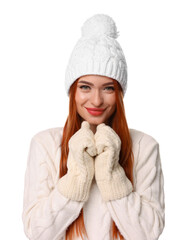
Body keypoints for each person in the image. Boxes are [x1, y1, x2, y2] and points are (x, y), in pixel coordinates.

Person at [22, 14, 165, 240]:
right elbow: (37, 233)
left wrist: (112, 176)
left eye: (108, 88)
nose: (96, 100)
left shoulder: (144, 146)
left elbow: (147, 234)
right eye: (86, 87)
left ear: (119, 93)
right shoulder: (45, 144)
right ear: (73, 91)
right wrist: (76, 177)